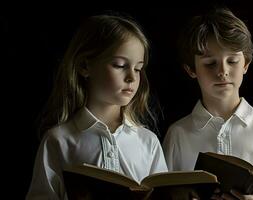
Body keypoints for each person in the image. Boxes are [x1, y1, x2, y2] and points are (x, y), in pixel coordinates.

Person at [162, 6, 253, 200]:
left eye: (232, 61)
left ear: (245, 64)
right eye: (210, 63)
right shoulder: (178, 133)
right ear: (191, 70)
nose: (223, 71)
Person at [26, 13, 168, 199]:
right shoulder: (59, 140)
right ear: (85, 66)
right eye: (119, 65)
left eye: (138, 68)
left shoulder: (148, 142)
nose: (132, 78)